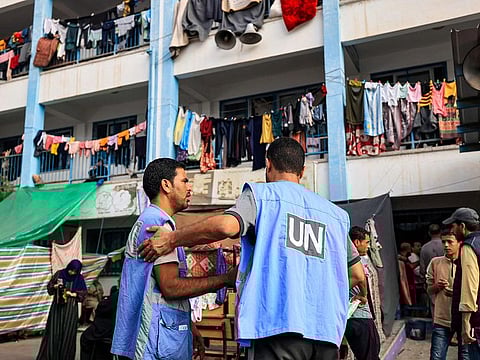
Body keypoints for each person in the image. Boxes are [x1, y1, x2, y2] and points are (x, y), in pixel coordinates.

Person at [139, 137, 355, 359]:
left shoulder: (262, 196)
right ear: (302, 171)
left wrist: (173, 239)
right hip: (328, 334)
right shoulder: (336, 216)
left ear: (268, 164)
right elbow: (356, 275)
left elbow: (225, 225)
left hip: (276, 329)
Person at [111, 158, 235, 360]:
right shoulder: (156, 223)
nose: (190, 188)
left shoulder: (161, 222)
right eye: (185, 181)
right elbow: (170, 287)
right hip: (154, 341)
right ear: (166, 185)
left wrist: (189, 326)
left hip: (161, 335)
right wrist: (224, 279)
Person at [426, 228, 469, 360]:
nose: (446, 245)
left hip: (465, 319)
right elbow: (429, 290)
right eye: (443, 242)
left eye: (450, 242)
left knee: (465, 356)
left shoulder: (468, 263)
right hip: (442, 319)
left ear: (459, 243)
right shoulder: (435, 262)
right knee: (436, 357)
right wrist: (437, 286)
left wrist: (457, 293)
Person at [446, 208, 480, 360]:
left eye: (453, 226)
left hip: (476, 319)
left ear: (462, 226)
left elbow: (470, 285)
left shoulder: (468, 246)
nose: (451, 230)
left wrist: (466, 322)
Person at [36, 259, 87, 360]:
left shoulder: (79, 278)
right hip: (57, 308)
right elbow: (49, 287)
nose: (71, 273)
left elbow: (83, 293)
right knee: (54, 331)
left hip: (70, 310)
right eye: (71, 270)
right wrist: (55, 286)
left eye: (74, 271)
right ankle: (51, 356)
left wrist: (72, 294)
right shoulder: (60, 274)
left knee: (68, 333)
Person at [345, 226, 381, 360]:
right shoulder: (354, 261)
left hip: (349, 317)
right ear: (356, 242)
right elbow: (360, 278)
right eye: (366, 242)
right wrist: (363, 295)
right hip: (360, 316)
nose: (368, 246)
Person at [80, 286, 119, 360]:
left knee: (85, 337)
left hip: (111, 329)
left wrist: (97, 304)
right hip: (120, 328)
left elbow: (105, 307)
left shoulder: (119, 294)